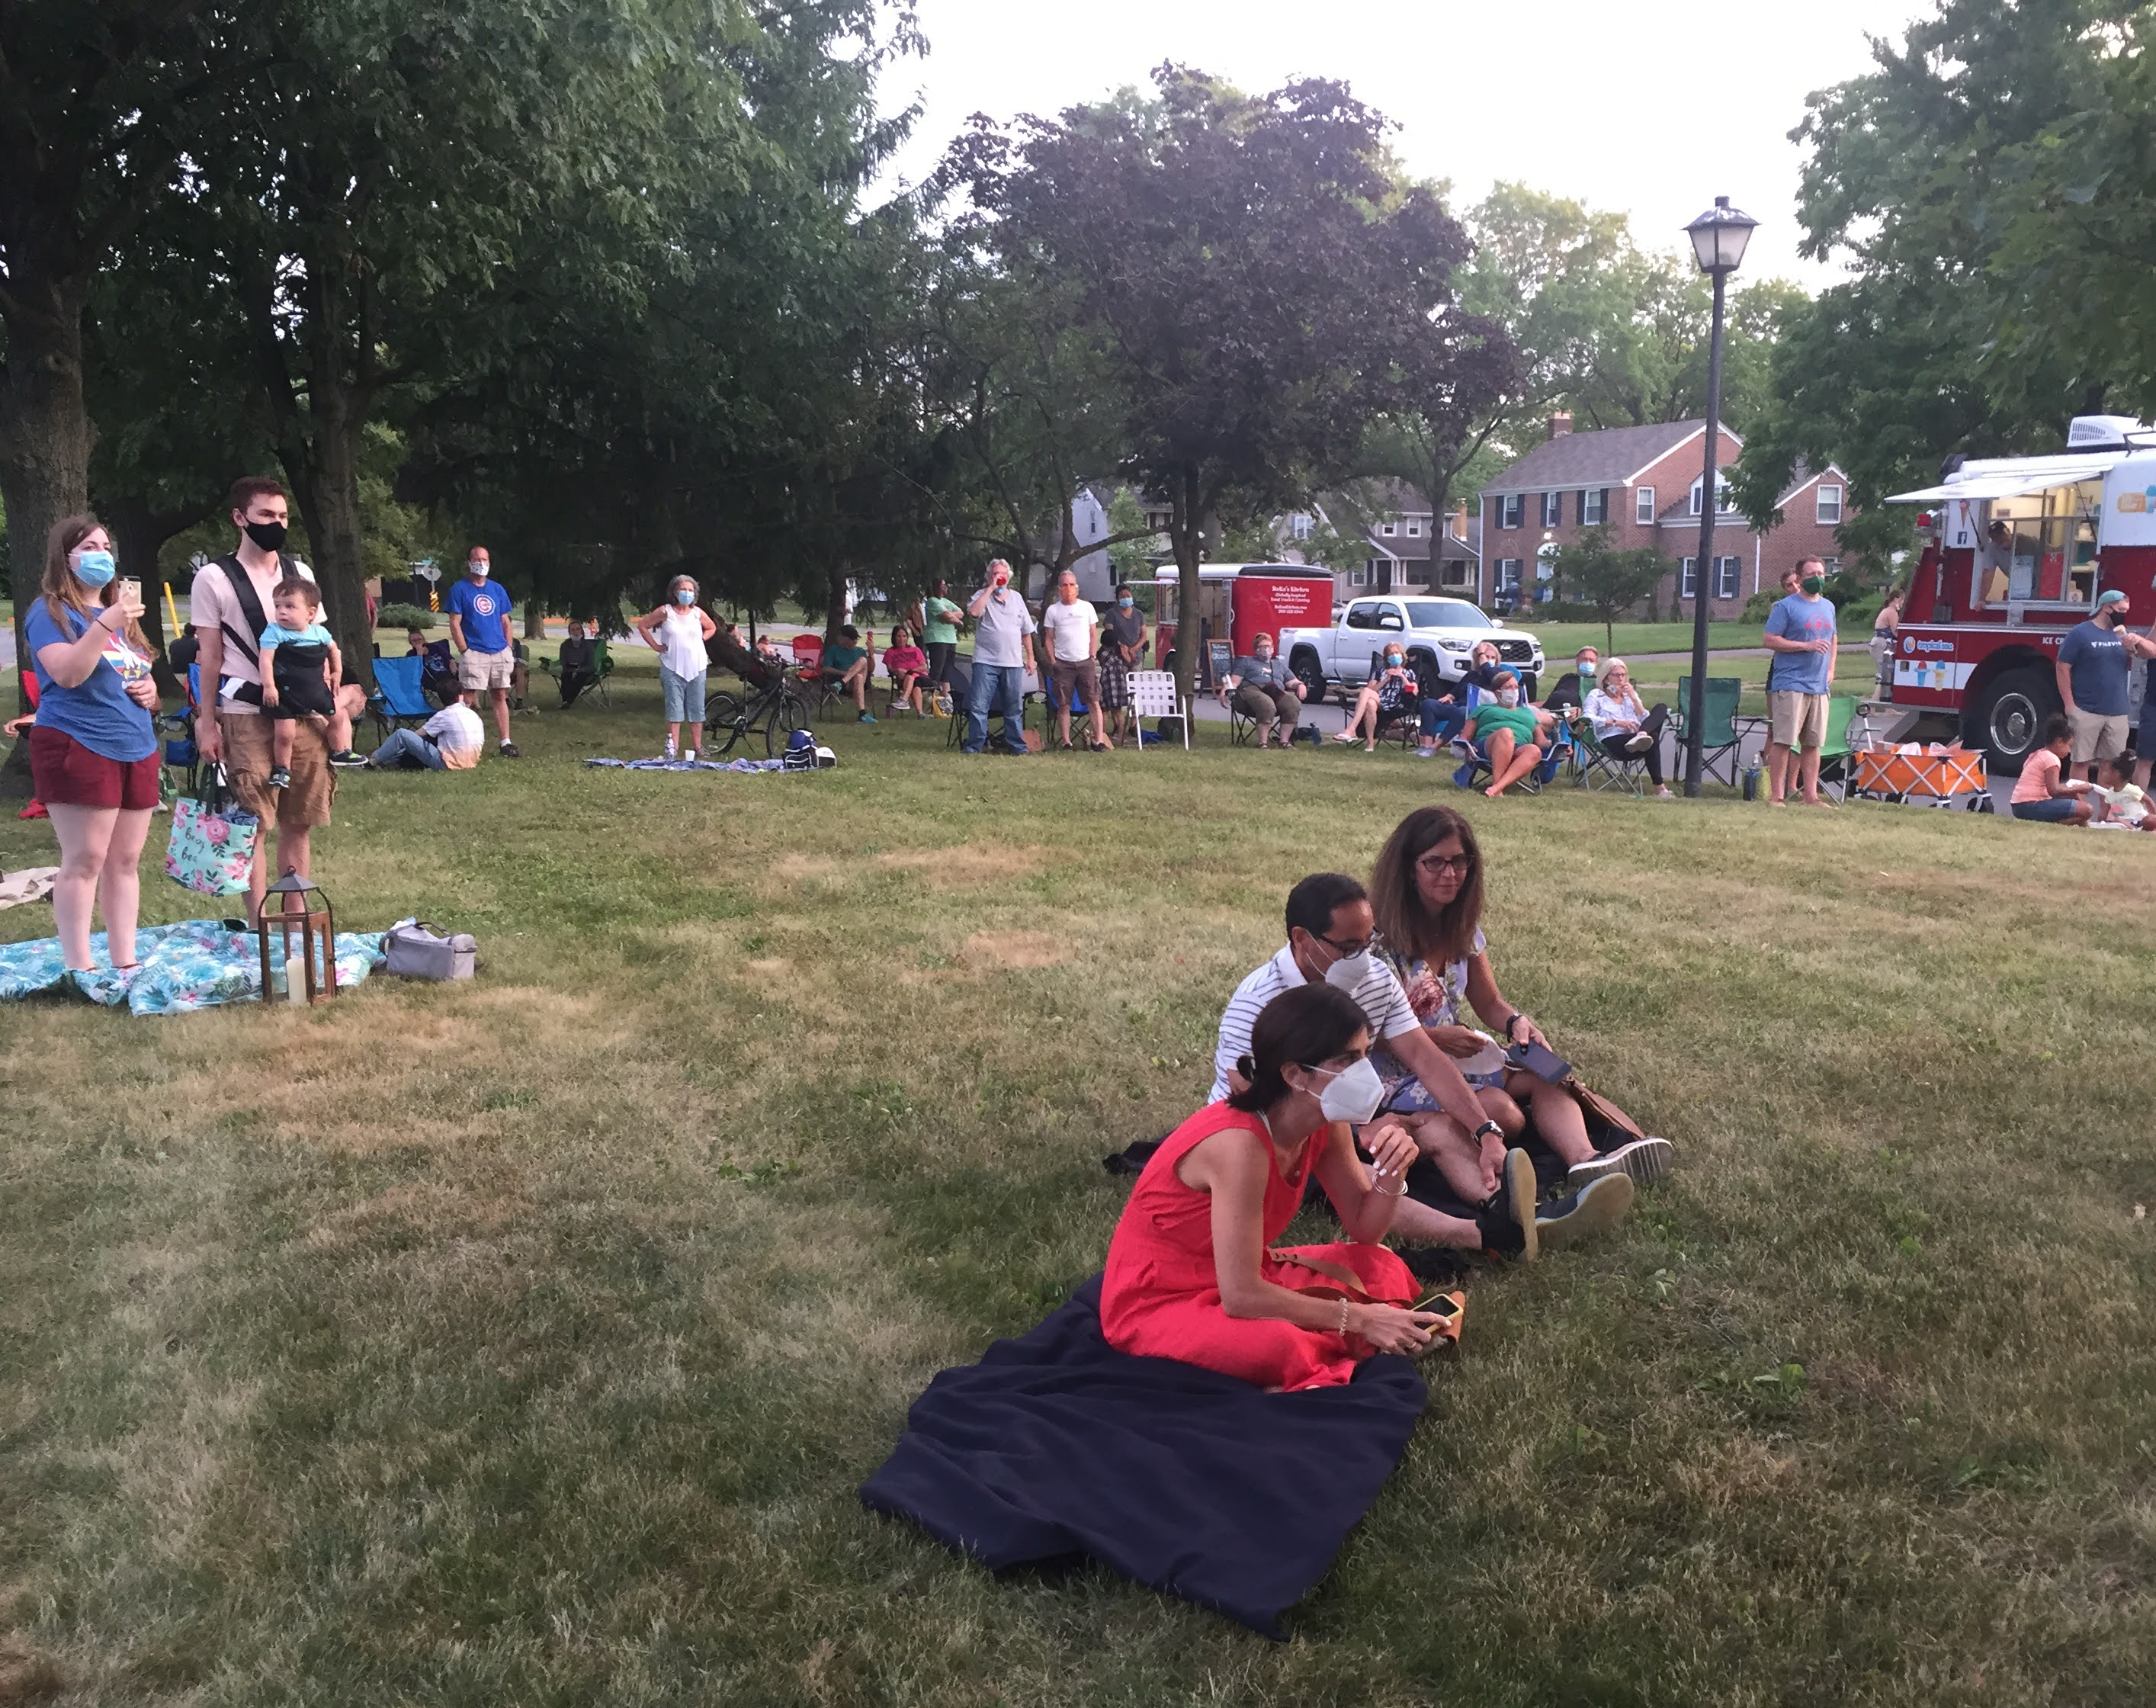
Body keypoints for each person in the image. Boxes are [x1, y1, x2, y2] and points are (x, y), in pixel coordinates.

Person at [1212, 872, 1615, 1260]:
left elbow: (1425, 1057)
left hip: (1337, 1117)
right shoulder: (1257, 1002)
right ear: (1302, 939)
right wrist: (1349, 1132)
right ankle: (1488, 1234)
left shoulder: (1375, 978)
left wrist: (1485, 1131)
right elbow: (1251, 1102)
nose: (1363, 959)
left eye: (1369, 944)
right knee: (1367, 1169)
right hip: (1270, 1133)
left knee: (1432, 1131)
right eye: (1348, 947)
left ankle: (1505, 1209)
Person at [1104, 983, 1448, 1391]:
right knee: (1283, 1347)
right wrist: (1360, 1319)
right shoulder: (1239, 1146)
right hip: (1159, 1299)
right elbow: (1243, 1297)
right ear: (1294, 1074)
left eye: (1364, 1055)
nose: (1364, 1072)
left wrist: (1393, 1171)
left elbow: (1365, 1230)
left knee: (1383, 1268)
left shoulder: (1326, 1121)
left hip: (1240, 1273)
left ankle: (1338, 1346)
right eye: (1347, 1059)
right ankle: (1331, 1352)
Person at [1368, 804, 1672, 1193]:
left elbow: (1489, 1003)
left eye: (1460, 861)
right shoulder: (1376, 942)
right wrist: (1438, 1039)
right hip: (1397, 1072)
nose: (1450, 873)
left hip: (1460, 1057)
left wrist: (1517, 1023)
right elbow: (1360, 1035)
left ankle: (1586, 1162)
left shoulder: (1462, 928)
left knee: (1546, 1073)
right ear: (1408, 868)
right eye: (1435, 862)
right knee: (1502, 1113)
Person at [191, 475, 344, 923]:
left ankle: (295, 919)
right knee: (255, 822)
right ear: (240, 519)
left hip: (303, 715)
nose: (276, 524)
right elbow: (210, 656)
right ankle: (260, 925)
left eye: (282, 516)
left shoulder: (302, 575)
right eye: (265, 516)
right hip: (246, 713)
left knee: (299, 821)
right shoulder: (214, 578)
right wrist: (206, 720)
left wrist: (332, 701)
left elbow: (318, 642)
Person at [23, 515, 161, 981]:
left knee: (125, 861)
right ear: (66, 557)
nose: (102, 553)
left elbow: (136, 676)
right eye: (90, 546)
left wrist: (152, 693)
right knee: (85, 860)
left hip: (135, 744)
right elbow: (67, 674)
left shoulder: (123, 614)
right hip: (77, 742)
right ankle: (80, 964)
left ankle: (125, 959)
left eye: (106, 544)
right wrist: (104, 623)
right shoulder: (49, 613)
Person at [255, 573, 351, 789]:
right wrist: (269, 686)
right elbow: (266, 660)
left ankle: (340, 751)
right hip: (285, 693)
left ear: (311, 613)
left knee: (338, 717)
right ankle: (282, 769)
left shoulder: (320, 632)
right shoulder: (274, 632)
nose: (281, 611)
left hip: (314, 690)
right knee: (285, 734)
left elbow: (334, 650)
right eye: (278, 606)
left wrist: (337, 672)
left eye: (289, 606)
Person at [1763, 555, 1838, 806]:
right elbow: (1770, 640)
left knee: (1813, 743)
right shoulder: (1785, 607)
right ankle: (1777, 796)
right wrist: (1805, 645)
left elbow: (1833, 638)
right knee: (1784, 741)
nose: (1817, 578)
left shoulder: (1828, 606)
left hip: (1819, 685)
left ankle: (1811, 796)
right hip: (1791, 683)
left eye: (1821, 573)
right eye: (1811, 574)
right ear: (1799, 578)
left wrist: (1831, 669)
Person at [2055, 589, 2146, 784]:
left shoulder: (2121, 634)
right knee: (2081, 762)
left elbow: (2142, 655)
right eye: (2121, 609)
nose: (2124, 614)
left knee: (2112, 766)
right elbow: (2062, 667)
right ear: (2107, 607)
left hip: (2117, 711)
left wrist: (2134, 643)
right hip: (2087, 709)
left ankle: (2106, 815)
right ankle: (2080, 812)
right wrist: (2070, 706)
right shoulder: (2080, 633)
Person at [446, 545, 521, 758]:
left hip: (499, 651)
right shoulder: (459, 589)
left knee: (500, 695)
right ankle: (461, 741)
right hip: (475, 651)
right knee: (467, 698)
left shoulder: (497, 589)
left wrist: (507, 647)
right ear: (469, 562)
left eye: (485, 559)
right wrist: (465, 650)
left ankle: (505, 742)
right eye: (477, 559)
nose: (482, 563)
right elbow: (455, 622)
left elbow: (505, 621)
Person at [633, 574, 718, 757]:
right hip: (672, 666)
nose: (687, 593)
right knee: (674, 708)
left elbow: (712, 628)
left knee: (696, 709)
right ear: (675, 592)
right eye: (683, 589)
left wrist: (702, 639)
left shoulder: (697, 613)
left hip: (697, 667)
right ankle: (673, 748)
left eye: (690, 590)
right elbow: (643, 626)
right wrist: (656, 646)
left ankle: (698, 747)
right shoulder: (666, 612)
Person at [963, 559, 1037, 756]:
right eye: (995, 574)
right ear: (989, 576)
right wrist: (991, 588)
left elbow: (1026, 631)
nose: (1000, 577)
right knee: (979, 706)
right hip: (985, 662)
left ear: (1009, 577)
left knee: (1014, 707)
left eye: (1003, 574)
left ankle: (1017, 747)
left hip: (1012, 663)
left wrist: (1031, 658)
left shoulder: (1017, 598)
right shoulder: (981, 595)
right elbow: (974, 612)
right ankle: (974, 747)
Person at [1583, 657, 1673, 798]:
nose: (1621, 678)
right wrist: (1616, 722)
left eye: (1624, 675)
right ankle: (1661, 789)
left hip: (1637, 736)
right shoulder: (1597, 695)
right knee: (1653, 738)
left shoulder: (1630, 695)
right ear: (1606, 678)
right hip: (1614, 739)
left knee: (1661, 708)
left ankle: (1642, 735)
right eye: (1617, 675)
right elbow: (1588, 717)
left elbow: (1646, 719)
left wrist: (1633, 697)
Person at [1039, 570, 1108, 752]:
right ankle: (1067, 742)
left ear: (1077, 588)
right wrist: (1053, 660)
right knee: (1063, 703)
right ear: (1059, 589)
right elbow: (1048, 638)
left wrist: (1092, 656)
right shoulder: (1053, 611)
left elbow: (1093, 633)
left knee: (1093, 701)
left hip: (1085, 661)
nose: (1068, 588)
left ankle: (1098, 740)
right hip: (1063, 663)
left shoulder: (1087, 608)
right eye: (1064, 585)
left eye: (1071, 585)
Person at [1413, 637, 1505, 759]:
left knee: (1461, 712)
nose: (1489, 660)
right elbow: (1455, 691)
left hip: (1477, 711)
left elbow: (1490, 673)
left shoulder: (1498, 675)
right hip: (1458, 705)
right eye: (1487, 657)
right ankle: (1426, 747)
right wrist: (1448, 697)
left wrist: (1482, 655)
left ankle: (1435, 747)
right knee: (1429, 704)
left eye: (1493, 658)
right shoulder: (1472, 674)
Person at [1465, 669, 1546, 798]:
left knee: (1534, 750)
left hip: (1518, 748)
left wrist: (1559, 743)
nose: (1514, 690)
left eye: (1516, 687)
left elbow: (1541, 741)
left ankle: (1497, 788)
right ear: (1497, 693)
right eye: (1509, 687)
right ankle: (1497, 787)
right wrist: (1468, 748)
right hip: (1489, 745)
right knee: (1506, 733)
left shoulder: (1527, 713)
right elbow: (1464, 737)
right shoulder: (1484, 709)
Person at [1220, 631, 1304, 748]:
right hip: (1251, 692)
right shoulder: (1247, 662)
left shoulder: (1279, 664)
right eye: (1262, 647)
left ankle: (1284, 741)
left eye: (1268, 646)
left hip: (1275, 692)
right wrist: (1225, 690)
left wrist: (1300, 685)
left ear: (1273, 648)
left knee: (1293, 702)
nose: (1266, 650)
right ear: (1256, 649)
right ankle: (1263, 743)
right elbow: (1234, 682)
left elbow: (1291, 681)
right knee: (1266, 703)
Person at [365, 693, 487, 771]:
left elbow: (417, 735)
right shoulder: (473, 714)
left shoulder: (444, 715)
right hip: (472, 762)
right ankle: (385, 761)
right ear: (459, 697)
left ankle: (372, 761)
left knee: (402, 735)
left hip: (447, 764)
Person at [2010, 714, 2094, 824]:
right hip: (2030, 805)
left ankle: (2082, 822)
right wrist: (2080, 789)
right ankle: (2060, 823)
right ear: (2059, 742)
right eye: (2068, 746)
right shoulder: (2052, 759)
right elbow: (2054, 790)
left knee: (2073, 797)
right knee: (2087, 810)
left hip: (2018, 806)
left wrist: (2073, 791)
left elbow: (2053, 788)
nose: (2069, 751)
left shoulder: (2038, 754)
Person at [1334, 644, 1418, 751]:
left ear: (1402, 656)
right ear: (1387, 658)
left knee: (1368, 697)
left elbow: (1414, 692)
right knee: (1370, 702)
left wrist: (1401, 676)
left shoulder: (1409, 673)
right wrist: (1386, 679)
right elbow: (1370, 689)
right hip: (1379, 699)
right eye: (1390, 654)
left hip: (1396, 703)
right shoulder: (1379, 672)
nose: (1394, 656)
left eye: (1396, 653)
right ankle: (1370, 744)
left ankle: (1352, 729)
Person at [1098, 583, 1147, 744]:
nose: (1126, 598)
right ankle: (1118, 726)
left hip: (1136, 657)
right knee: (1117, 692)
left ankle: (1133, 725)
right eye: (1123, 596)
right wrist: (1123, 650)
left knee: (1136, 691)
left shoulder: (1138, 614)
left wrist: (1134, 649)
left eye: (1128, 595)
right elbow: (1109, 635)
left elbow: (1144, 634)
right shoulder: (1112, 614)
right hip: (1118, 658)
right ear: (1117, 598)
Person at [916, 579, 964, 696]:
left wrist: (949, 616)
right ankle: (930, 695)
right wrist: (955, 620)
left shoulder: (946, 601)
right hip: (937, 639)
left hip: (950, 639)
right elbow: (945, 616)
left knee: (948, 671)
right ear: (936, 588)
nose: (945, 587)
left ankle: (945, 697)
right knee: (937, 669)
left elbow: (960, 612)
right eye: (943, 585)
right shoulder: (932, 601)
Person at [817, 624, 875, 722]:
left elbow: (871, 670)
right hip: (846, 683)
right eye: (852, 639)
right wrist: (844, 673)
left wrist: (871, 654)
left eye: (856, 639)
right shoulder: (834, 650)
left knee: (863, 661)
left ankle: (841, 683)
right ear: (843, 638)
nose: (855, 641)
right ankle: (862, 714)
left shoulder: (860, 651)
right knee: (858, 677)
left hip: (856, 683)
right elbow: (825, 669)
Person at [2090, 753, 2154, 832]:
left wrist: (2154, 815)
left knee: (2150, 820)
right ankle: (2134, 830)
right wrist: (2100, 823)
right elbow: (2104, 812)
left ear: (2116, 774)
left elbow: (2148, 801)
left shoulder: (2131, 790)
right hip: (2123, 821)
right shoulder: (2110, 793)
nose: (2103, 774)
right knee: (2116, 819)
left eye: (2107, 772)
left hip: (2140, 820)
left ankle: (2141, 829)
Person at [881, 622, 929, 715]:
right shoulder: (890, 652)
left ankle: (904, 700)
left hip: (921, 677)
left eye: (904, 636)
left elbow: (923, 666)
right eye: (899, 636)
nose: (902, 639)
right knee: (916, 687)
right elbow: (890, 668)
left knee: (911, 676)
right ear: (894, 637)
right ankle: (921, 713)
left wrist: (909, 671)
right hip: (902, 679)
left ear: (907, 637)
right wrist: (897, 671)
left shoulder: (915, 650)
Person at [1538, 647, 1599, 716]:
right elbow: (1551, 697)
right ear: (1577, 661)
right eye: (1584, 659)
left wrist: (1580, 711)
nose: (1588, 663)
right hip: (1546, 710)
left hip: (1563, 715)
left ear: (1596, 664)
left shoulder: (1596, 682)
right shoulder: (1567, 677)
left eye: (1592, 660)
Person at [1870, 586, 1904, 695]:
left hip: (1877, 643)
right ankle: (1883, 708)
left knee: (1885, 676)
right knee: (1886, 676)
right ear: (1896, 600)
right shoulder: (1892, 612)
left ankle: (1878, 708)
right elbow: (1896, 632)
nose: (1903, 603)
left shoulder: (1886, 610)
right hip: (1882, 644)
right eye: (1902, 600)